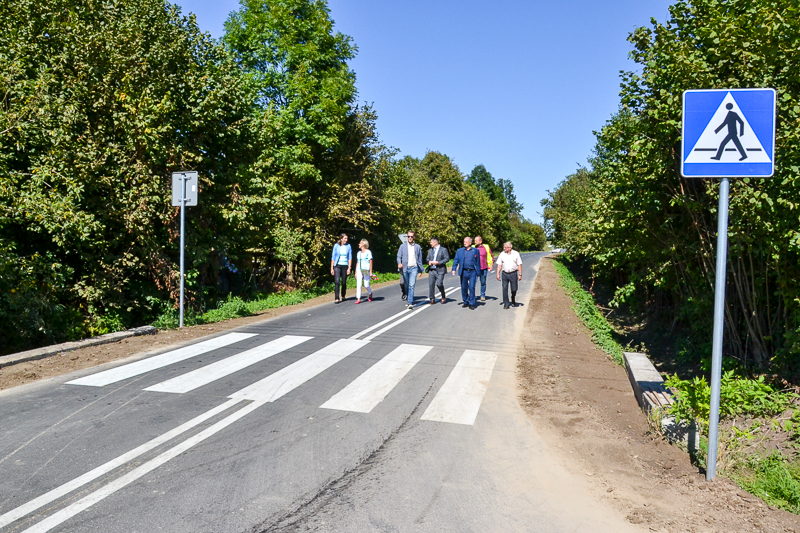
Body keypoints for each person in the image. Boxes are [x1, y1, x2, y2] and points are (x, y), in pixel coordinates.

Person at [451, 236, 480, 310]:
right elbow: (456, 260)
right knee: (464, 287)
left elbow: (478, 262)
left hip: (472, 271)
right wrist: (454, 269)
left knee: (472, 287)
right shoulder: (460, 251)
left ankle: (472, 303)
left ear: (470, 243)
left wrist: (478, 272)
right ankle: (466, 301)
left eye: (466, 242)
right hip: (464, 271)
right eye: (464, 242)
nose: (465, 243)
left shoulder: (475, 251)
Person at [397, 230, 423, 310]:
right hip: (405, 268)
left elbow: (420, 259)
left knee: (411, 285)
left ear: (414, 237)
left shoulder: (417, 247)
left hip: (414, 268)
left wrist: (420, 270)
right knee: (406, 285)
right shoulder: (403, 246)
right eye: (409, 236)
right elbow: (398, 256)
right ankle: (408, 298)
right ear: (407, 237)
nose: (410, 238)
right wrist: (399, 263)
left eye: (411, 236)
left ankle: (410, 302)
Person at [495, 241, 523, 309]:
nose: (504, 248)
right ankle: (506, 303)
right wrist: (498, 274)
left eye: (506, 247)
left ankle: (513, 298)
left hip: (513, 273)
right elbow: (499, 264)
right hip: (505, 274)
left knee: (514, 289)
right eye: (504, 247)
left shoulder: (516, 254)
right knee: (504, 288)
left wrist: (520, 274)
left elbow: (519, 264)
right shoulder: (502, 254)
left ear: (510, 247)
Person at [426, 237, 450, 304]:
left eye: (431, 242)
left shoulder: (443, 249)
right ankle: (432, 299)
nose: (430, 243)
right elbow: (427, 258)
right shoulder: (430, 250)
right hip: (432, 270)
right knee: (431, 285)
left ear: (435, 242)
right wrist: (429, 262)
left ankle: (443, 295)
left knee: (439, 284)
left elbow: (447, 258)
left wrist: (438, 262)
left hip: (440, 270)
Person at [330, 233, 351, 304]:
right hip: (337, 265)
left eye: (347, 239)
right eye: (345, 238)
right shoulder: (336, 246)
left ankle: (343, 295)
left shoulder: (348, 246)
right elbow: (333, 257)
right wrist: (332, 268)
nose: (346, 240)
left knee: (344, 282)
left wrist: (349, 268)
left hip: (345, 265)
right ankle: (336, 297)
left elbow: (350, 257)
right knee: (337, 281)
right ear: (341, 239)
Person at [474, 235, 494, 302]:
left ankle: (482, 295)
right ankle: (472, 295)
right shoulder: (473, 247)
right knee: (473, 283)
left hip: (484, 268)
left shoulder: (486, 247)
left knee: (483, 282)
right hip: (475, 269)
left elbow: (492, 257)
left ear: (480, 241)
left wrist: (491, 265)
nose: (475, 242)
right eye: (474, 241)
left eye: (476, 241)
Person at [355, 239, 373, 304]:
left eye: (360, 243)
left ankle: (370, 293)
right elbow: (357, 262)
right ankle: (358, 298)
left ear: (363, 244)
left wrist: (370, 272)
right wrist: (356, 272)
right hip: (359, 269)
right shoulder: (358, 253)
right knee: (359, 284)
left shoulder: (368, 252)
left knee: (366, 284)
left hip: (366, 269)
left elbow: (370, 262)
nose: (359, 244)